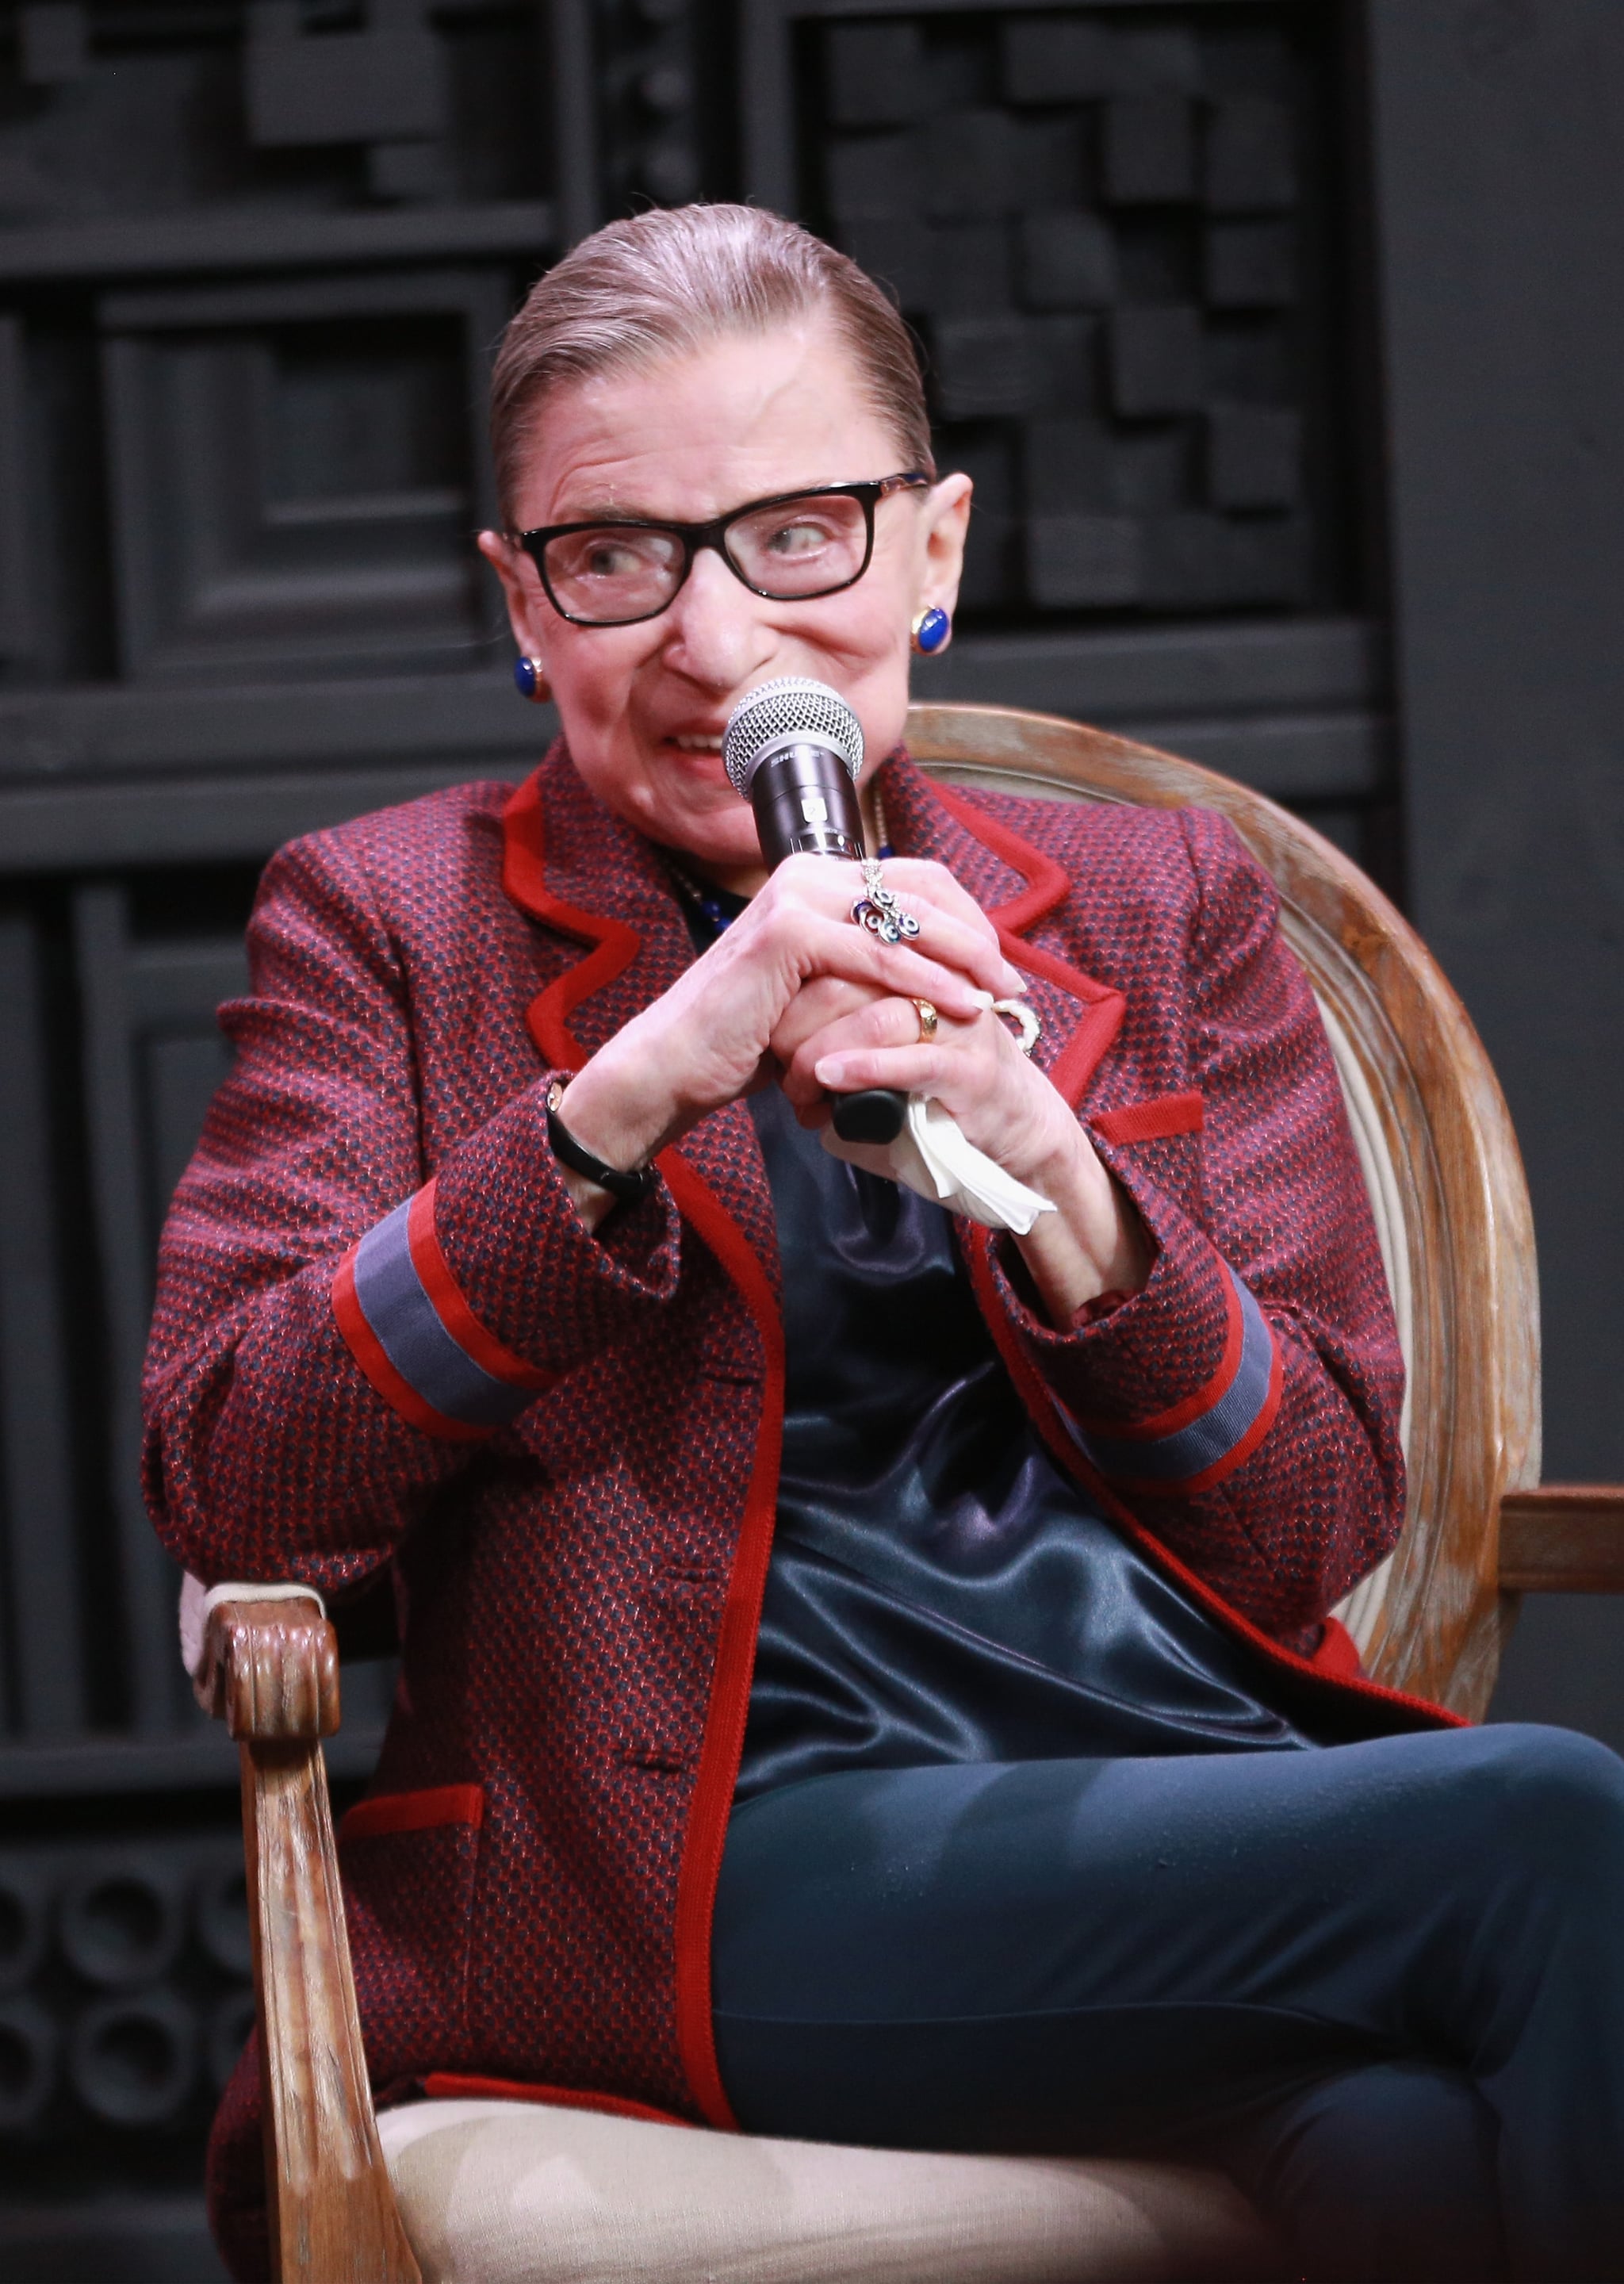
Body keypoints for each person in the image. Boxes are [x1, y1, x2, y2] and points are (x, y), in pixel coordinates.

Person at [142, 205, 1624, 2284]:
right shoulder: (390, 924)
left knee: (1394, 2149)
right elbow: (234, 1470)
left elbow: (1308, 1529)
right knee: (1555, 1830)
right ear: (524, 607)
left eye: (800, 533)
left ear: (931, 553)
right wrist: (624, 1103)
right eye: (618, 556)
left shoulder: (1157, 903)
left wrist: (1060, 1174)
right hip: (694, 1865)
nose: (724, 641)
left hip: (1176, 1810)